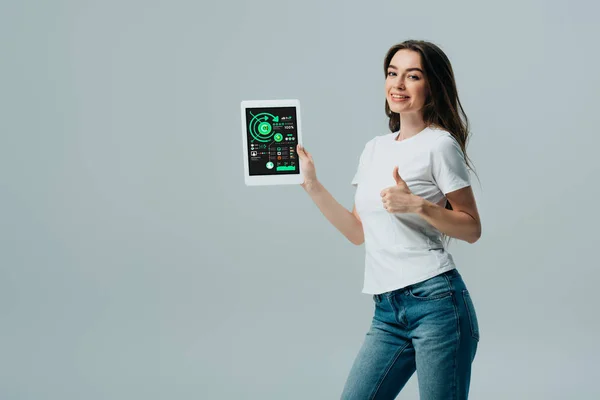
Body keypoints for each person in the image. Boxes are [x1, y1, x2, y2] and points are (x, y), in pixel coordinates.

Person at [296, 40, 482, 400]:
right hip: (387, 311)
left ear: (432, 86)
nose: (398, 84)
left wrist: (417, 205)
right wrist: (312, 184)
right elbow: (357, 231)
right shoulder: (374, 148)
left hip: (436, 305)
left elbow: (472, 227)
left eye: (412, 75)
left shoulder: (440, 145)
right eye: (392, 73)